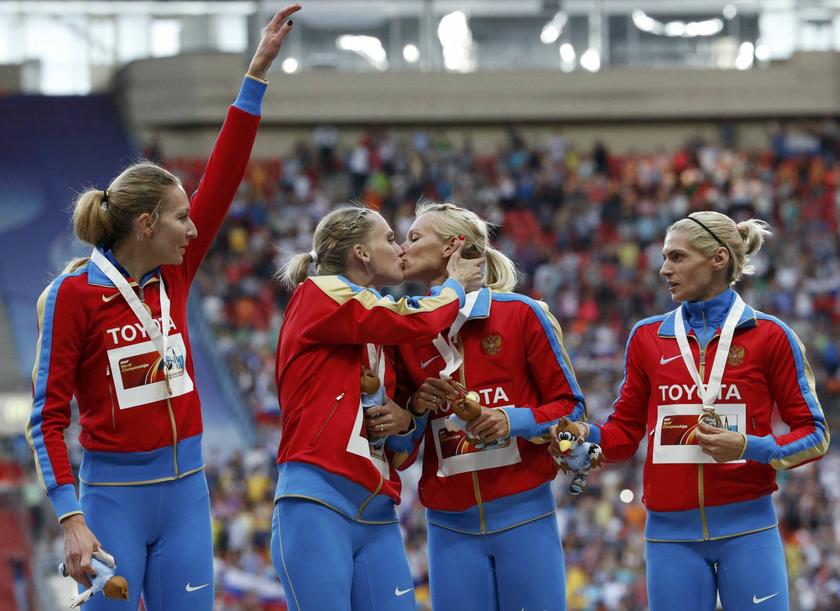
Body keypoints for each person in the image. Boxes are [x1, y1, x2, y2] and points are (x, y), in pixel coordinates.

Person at [25, 6, 301, 609]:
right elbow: (46, 418)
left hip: (186, 497)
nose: (192, 226)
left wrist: (255, 74)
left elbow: (224, 177)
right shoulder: (76, 296)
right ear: (146, 224)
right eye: (180, 217)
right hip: (111, 503)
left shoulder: (174, 275)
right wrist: (71, 519)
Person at [553, 210, 829, 610]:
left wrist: (749, 447)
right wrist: (586, 438)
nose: (664, 269)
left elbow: (815, 435)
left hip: (749, 528)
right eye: (665, 257)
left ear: (718, 259)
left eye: (677, 257)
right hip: (669, 537)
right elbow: (624, 434)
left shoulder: (771, 336)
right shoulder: (647, 337)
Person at [272, 205, 484, 611]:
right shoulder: (320, 293)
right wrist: (454, 285)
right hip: (318, 497)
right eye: (389, 238)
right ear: (362, 254)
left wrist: (408, 417)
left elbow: (401, 451)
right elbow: (414, 320)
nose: (400, 247)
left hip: (377, 505)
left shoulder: (377, 330)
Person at [395, 201, 586, 611]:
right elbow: (402, 451)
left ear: (453, 246)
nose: (401, 249)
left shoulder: (521, 314)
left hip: (525, 513)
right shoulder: (406, 329)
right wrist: (412, 409)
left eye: (414, 238)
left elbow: (571, 408)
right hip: (448, 526)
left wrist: (510, 420)